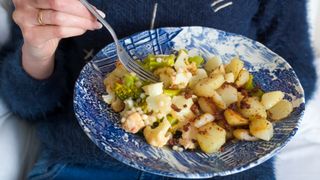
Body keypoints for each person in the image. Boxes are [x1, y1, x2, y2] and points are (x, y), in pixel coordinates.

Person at [0, 0, 316, 179]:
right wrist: (38, 50)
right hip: (85, 163)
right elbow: (28, 103)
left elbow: (296, 77)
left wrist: (238, 93)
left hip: (224, 171)